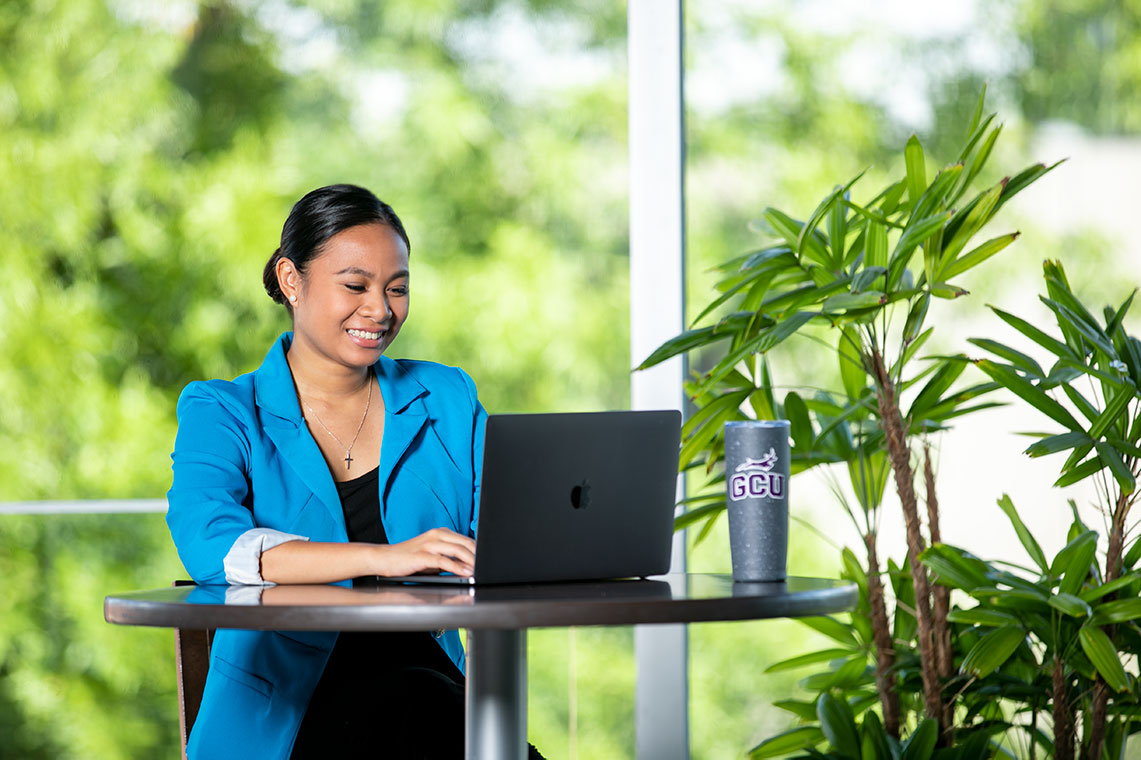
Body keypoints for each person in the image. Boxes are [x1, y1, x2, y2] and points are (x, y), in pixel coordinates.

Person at [167, 185, 538, 758]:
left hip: (430, 690)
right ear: (292, 280)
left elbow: (508, 530)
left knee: (424, 701)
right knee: (427, 710)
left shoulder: (447, 396)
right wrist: (386, 559)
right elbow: (215, 549)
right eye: (355, 286)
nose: (381, 310)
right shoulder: (221, 411)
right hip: (291, 714)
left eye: (397, 289)